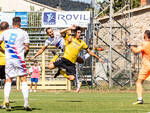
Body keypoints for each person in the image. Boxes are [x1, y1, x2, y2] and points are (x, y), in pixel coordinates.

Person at [0, 17, 32, 111]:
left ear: (12, 23)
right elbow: (27, 48)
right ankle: (26, 103)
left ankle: (6, 101)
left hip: (9, 59)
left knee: (8, 80)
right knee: (23, 79)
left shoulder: (6, 32)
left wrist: (5, 51)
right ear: (20, 23)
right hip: (19, 58)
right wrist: (24, 56)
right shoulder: (23, 33)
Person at [130, 30, 150, 104]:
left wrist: (131, 47)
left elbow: (136, 50)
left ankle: (140, 99)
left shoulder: (144, 43)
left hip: (146, 66)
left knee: (139, 82)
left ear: (145, 35)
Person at [0, 21, 9, 109]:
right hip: (5, 61)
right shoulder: (8, 35)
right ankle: (4, 103)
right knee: (7, 82)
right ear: (7, 27)